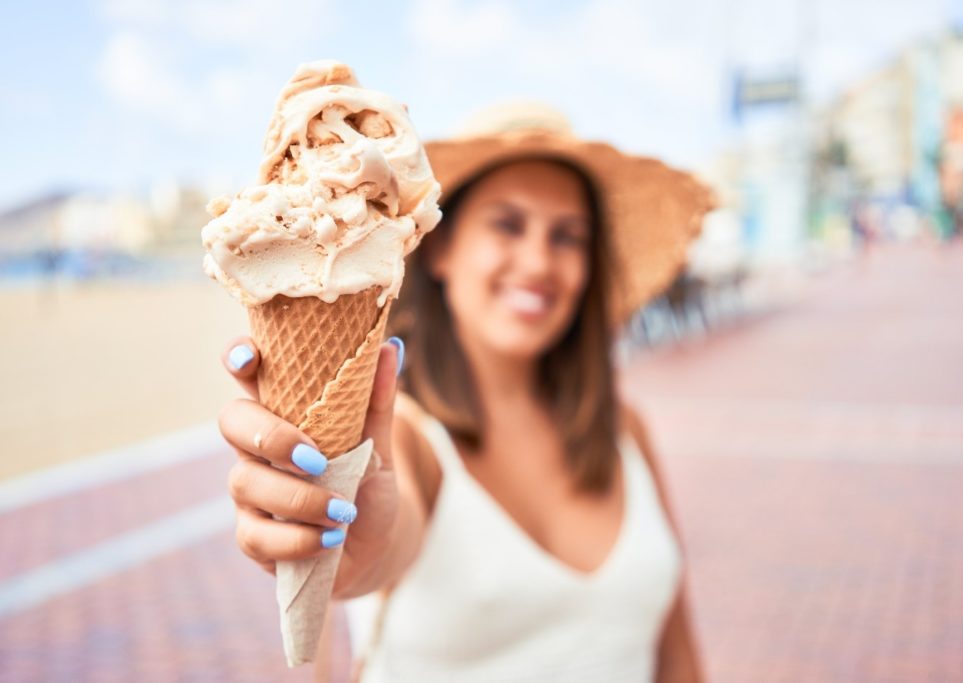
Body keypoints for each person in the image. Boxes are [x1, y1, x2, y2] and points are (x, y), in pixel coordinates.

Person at [217, 103, 713, 681]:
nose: (538, 261)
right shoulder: (404, 438)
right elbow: (375, 546)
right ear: (443, 249)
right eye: (507, 224)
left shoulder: (625, 429)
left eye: (568, 236)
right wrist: (340, 544)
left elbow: (678, 656)